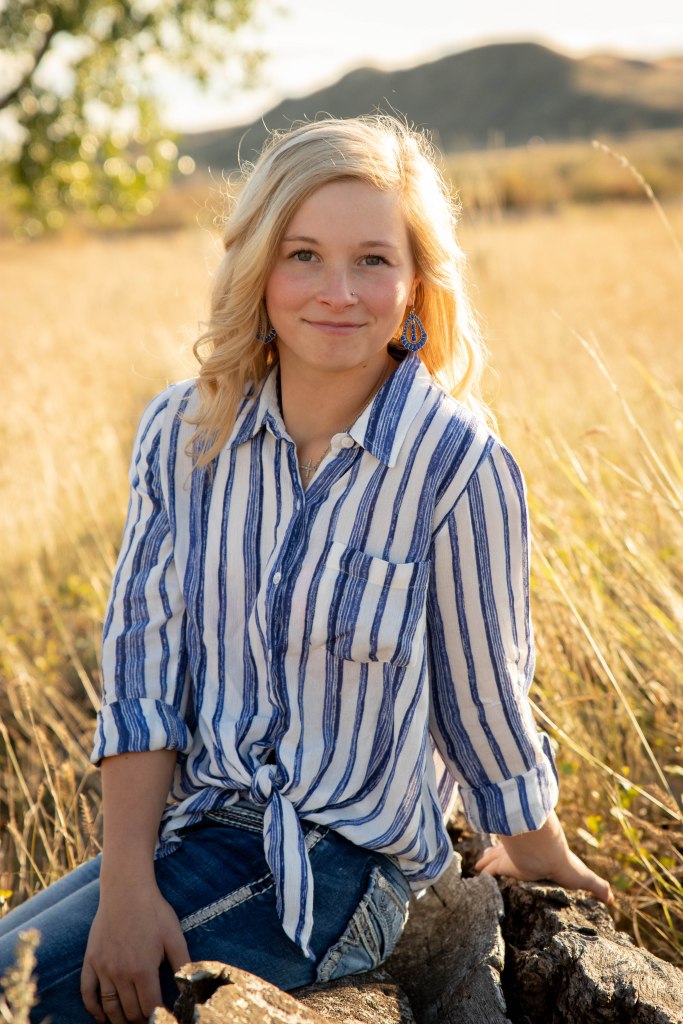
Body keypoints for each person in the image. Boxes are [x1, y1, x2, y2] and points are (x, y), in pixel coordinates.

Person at [0, 115, 613, 1024]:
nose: (338, 292)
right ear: (259, 269)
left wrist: (539, 849)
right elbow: (142, 672)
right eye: (303, 255)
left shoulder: (457, 466)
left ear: (414, 284)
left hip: (331, 873)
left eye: (372, 260)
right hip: (194, 830)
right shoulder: (183, 434)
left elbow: (484, 700)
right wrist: (127, 885)